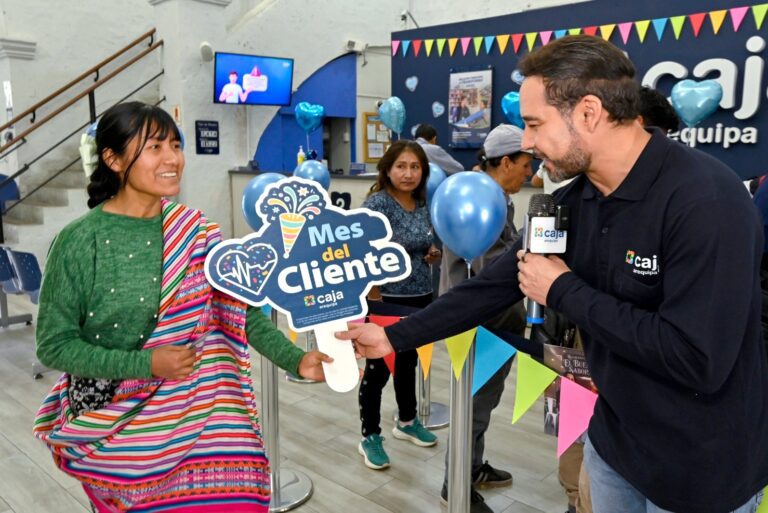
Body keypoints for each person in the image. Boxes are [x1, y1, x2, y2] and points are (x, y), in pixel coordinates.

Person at [339, 35, 768, 513]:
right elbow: (490, 287)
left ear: (588, 112)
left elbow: (696, 359)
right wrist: (393, 337)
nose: (526, 142)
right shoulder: (572, 202)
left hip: (701, 467)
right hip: (615, 447)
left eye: (534, 124)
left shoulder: (707, 200)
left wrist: (563, 289)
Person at [33, 101, 331, 512]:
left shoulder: (197, 232)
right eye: (155, 147)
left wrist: (295, 359)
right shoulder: (79, 241)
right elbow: (54, 345)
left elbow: (238, 312)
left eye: (175, 145)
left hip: (196, 413)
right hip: (113, 429)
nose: (173, 159)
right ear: (113, 159)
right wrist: (147, 364)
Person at [439, 124, 532, 513]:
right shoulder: (479, 198)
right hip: (479, 325)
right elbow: (491, 267)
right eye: (525, 166)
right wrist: (530, 246)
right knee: (473, 407)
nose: (530, 174)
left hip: (496, 322)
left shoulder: (496, 197)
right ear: (505, 162)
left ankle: (472, 467)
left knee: (482, 404)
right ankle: (456, 484)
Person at [357, 140, 441, 470]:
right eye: (401, 166)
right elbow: (364, 251)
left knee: (408, 364)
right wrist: (374, 297)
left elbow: (422, 244)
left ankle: (407, 421)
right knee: (378, 370)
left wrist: (431, 253)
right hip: (386, 299)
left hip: (420, 297)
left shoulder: (423, 203)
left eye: (415, 167)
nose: (408, 174)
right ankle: (370, 436)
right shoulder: (378, 204)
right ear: (388, 169)